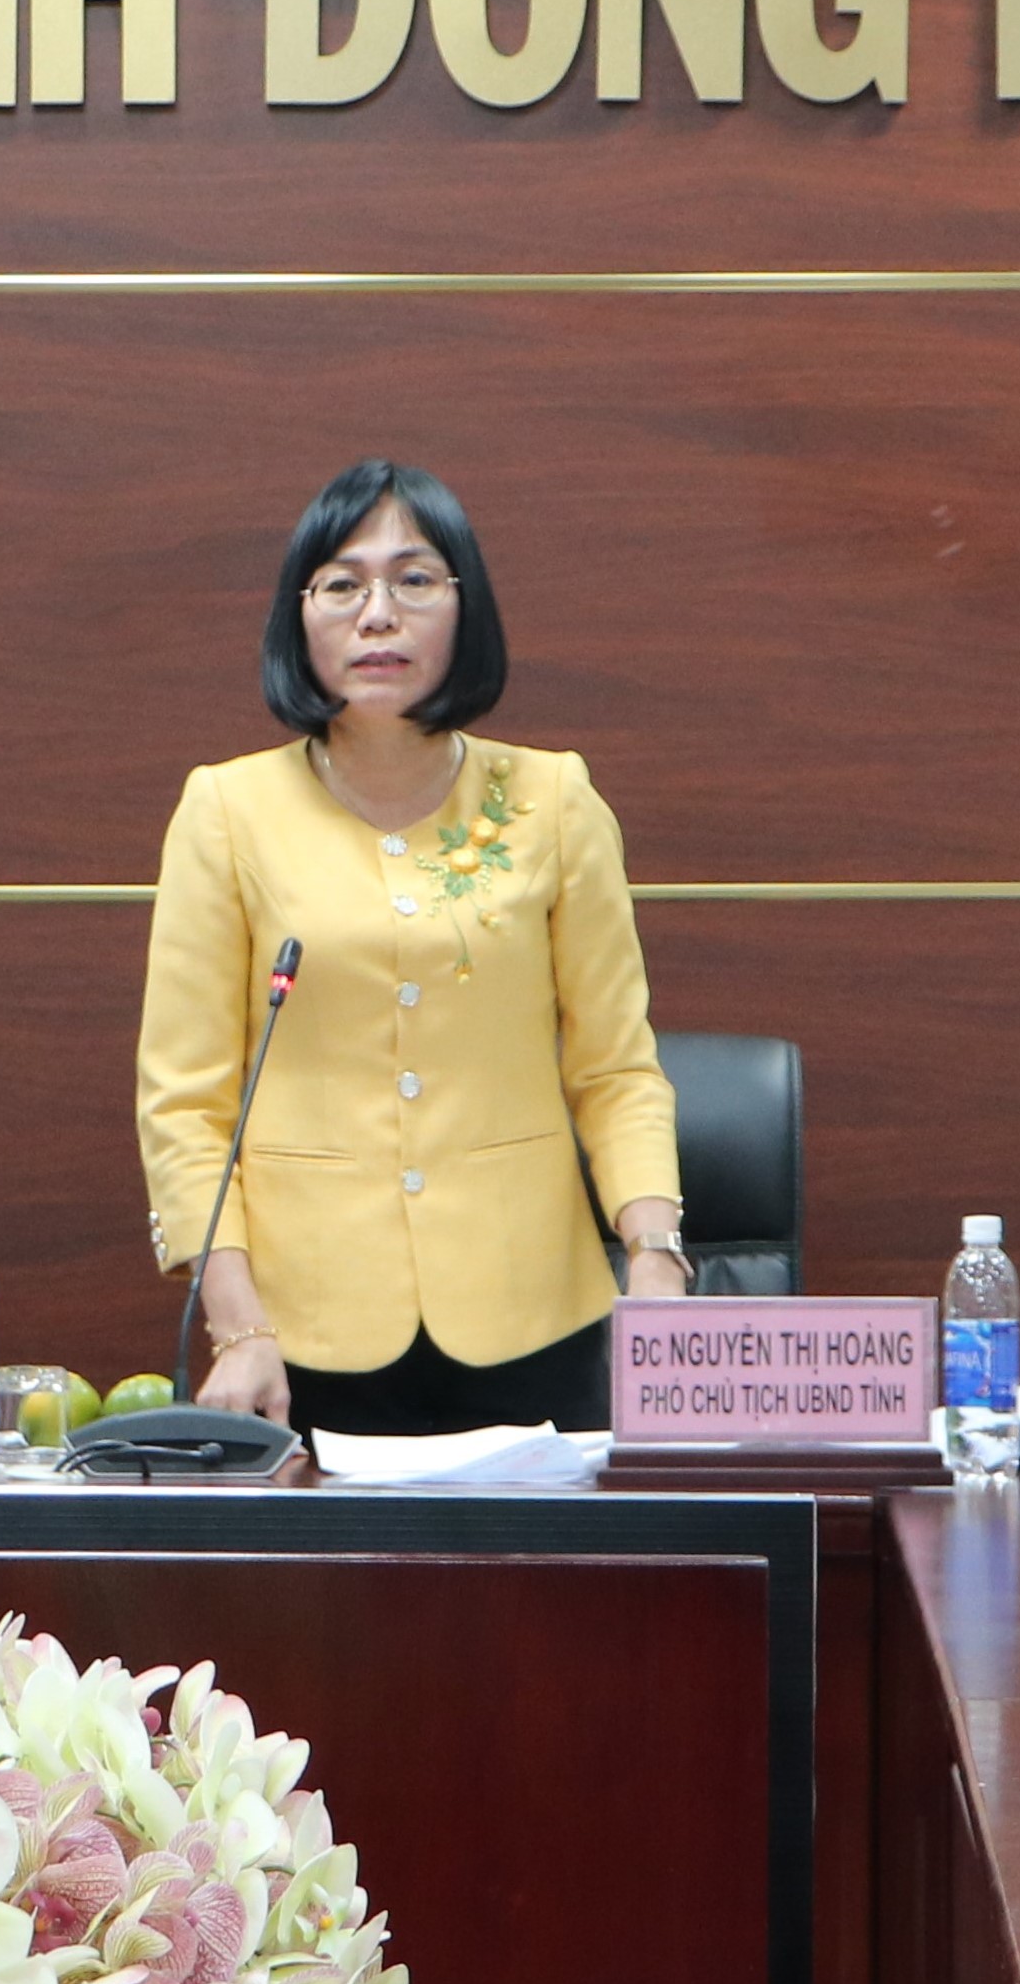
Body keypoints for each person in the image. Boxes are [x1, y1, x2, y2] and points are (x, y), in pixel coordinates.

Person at [136, 458, 680, 1438]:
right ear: (298, 615)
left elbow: (614, 1067)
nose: (378, 615)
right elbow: (186, 1104)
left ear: (465, 608)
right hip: (299, 1333)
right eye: (342, 585)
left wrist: (654, 1255)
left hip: (534, 1317)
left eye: (414, 579)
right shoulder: (226, 810)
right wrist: (238, 1324)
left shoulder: (552, 799)